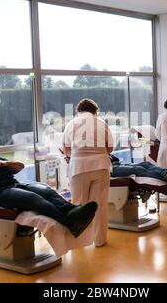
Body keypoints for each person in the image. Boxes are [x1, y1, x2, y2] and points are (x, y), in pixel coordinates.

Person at [0, 152, 98, 238]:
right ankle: (69, 222)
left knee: (47, 191)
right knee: (32, 198)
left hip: (15, 184)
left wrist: (6, 163)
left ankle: (73, 210)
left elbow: (21, 166)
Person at [63, 98, 113, 247]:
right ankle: (99, 240)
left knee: (78, 205)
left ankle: (80, 240)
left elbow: (66, 149)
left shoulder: (71, 124)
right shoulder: (102, 123)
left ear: (79, 111)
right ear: (95, 110)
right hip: (101, 166)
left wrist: (78, 154)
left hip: (79, 167)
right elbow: (110, 148)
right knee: (100, 205)